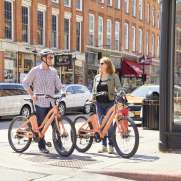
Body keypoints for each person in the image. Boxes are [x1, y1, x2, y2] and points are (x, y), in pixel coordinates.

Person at [22, 49, 62, 154]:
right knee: (41, 126)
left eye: (52, 57)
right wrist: (32, 94)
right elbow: (25, 83)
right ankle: (42, 145)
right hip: (40, 102)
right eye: (50, 57)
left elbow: (59, 85)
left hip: (51, 103)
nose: (52, 59)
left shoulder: (54, 71)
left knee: (55, 124)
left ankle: (60, 146)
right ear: (43, 58)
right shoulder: (35, 70)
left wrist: (63, 92)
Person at [92, 57, 122, 154]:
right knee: (102, 124)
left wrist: (121, 93)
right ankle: (103, 146)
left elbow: (119, 87)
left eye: (102, 63)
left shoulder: (113, 76)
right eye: (100, 63)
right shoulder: (97, 77)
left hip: (110, 102)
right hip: (99, 103)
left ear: (107, 65)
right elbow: (94, 90)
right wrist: (91, 98)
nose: (100, 65)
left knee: (109, 126)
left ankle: (111, 145)